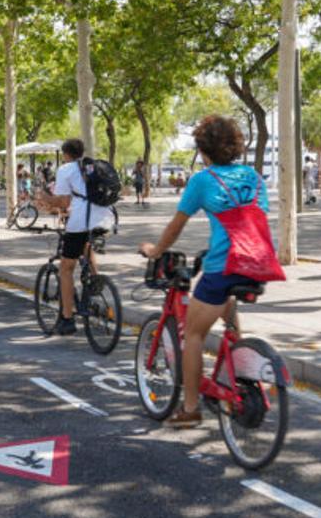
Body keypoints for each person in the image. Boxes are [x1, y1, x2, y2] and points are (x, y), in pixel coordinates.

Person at [139, 115, 274, 429]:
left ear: (204, 150)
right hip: (258, 265)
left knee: (194, 335)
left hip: (223, 267)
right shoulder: (254, 178)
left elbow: (175, 227)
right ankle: (236, 361)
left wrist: (155, 251)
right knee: (224, 305)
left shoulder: (203, 179)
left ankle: (189, 409)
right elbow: (250, 220)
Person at [36, 139, 115, 336]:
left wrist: (44, 198)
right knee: (86, 245)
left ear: (65, 154)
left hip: (81, 221)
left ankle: (67, 318)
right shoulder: (90, 167)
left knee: (66, 268)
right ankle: (94, 285)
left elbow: (63, 202)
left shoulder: (66, 169)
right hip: (105, 218)